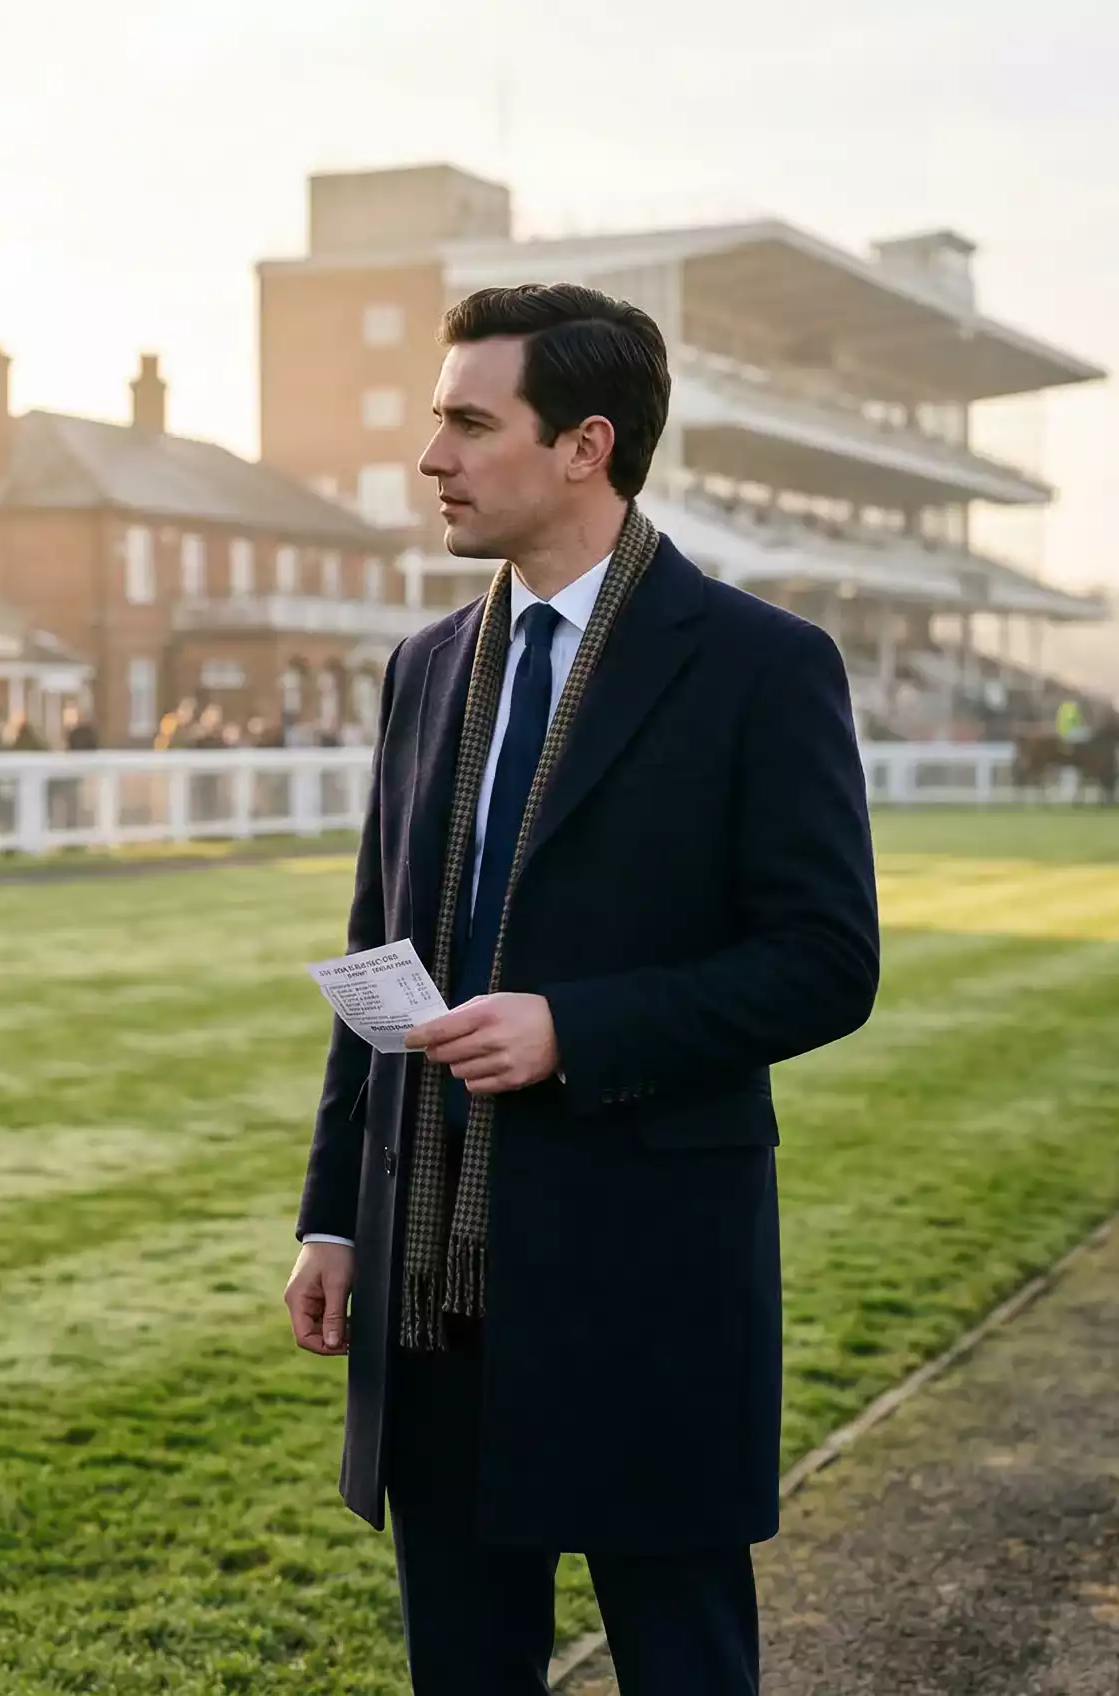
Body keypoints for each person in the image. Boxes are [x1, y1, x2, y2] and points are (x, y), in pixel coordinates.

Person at [282, 284, 878, 1695]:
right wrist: (334, 1215)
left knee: (681, 1667)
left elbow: (826, 963)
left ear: (583, 447)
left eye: (468, 422)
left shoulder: (761, 666)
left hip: (641, 1281)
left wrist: (576, 1029)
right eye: (437, 420)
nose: (432, 457)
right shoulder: (425, 669)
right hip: (433, 1285)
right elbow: (382, 949)